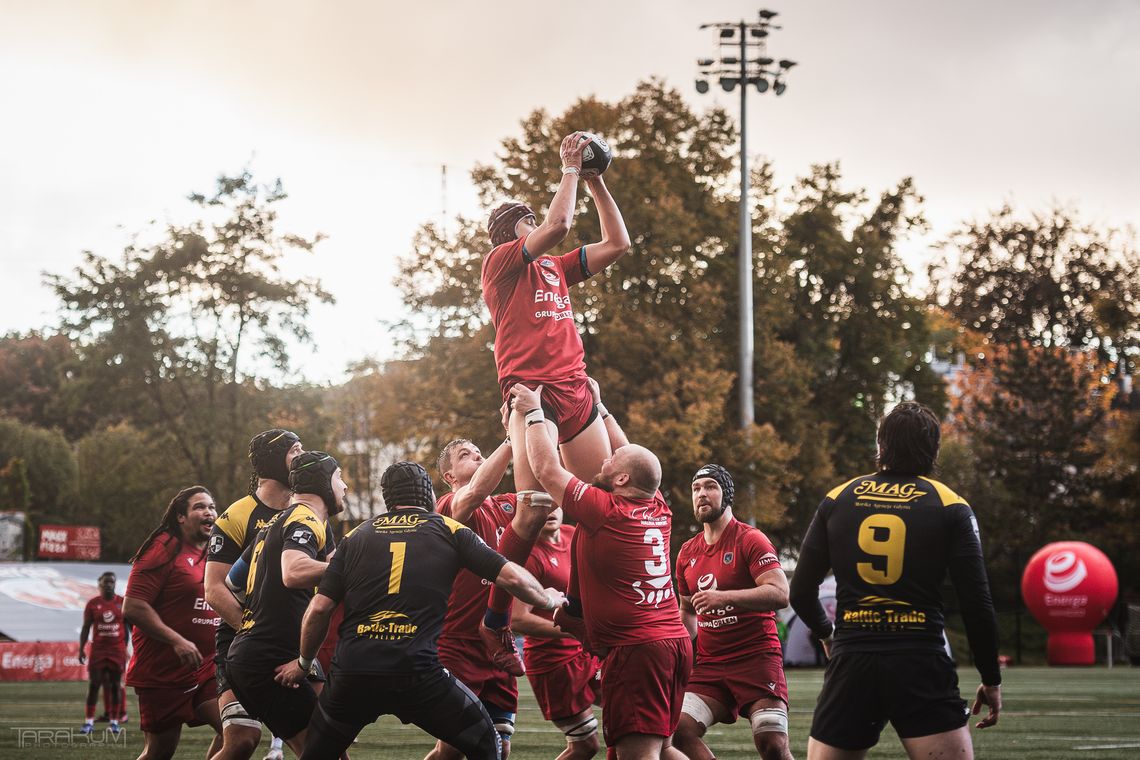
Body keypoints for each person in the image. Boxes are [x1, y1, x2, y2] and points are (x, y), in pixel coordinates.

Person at [284, 461, 565, 760]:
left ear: (388, 499)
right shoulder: (448, 529)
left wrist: (304, 662)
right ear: (429, 495)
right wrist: (547, 599)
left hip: (354, 673)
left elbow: (319, 609)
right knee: (489, 745)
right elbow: (510, 576)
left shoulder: (356, 537)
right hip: (417, 671)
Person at [789, 401, 1003, 760]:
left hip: (853, 657)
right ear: (934, 448)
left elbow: (800, 591)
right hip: (919, 658)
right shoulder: (950, 505)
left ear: (881, 445)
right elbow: (976, 603)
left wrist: (828, 635)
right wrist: (991, 678)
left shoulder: (838, 499)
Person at [513, 383, 692, 760]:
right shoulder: (658, 507)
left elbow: (547, 469)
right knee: (661, 746)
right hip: (671, 643)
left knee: (637, 753)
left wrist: (532, 412)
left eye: (610, 464)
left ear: (622, 481)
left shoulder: (606, 510)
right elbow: (633, 458)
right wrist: (599, 407)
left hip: (638, 650)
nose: (603, 461)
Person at [483, 131, 632, 492]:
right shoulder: (499, 263)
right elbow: (558, 225)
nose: (536, 223)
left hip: (575, 386)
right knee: (534, 507)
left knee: (601, 492)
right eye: (528, 220)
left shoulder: (554, 267)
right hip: (532, 388)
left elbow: (617, 244)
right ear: (508, 232)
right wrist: (569, 168)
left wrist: (594, 181)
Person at [428, 434, 558, 760]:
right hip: (457, 643)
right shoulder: (449, 504)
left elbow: (549, 493)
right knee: (454, 747)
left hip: (499, 642)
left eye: (478, 451)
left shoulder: (503, 505)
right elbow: (474, 493)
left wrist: (544, 431)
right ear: (449, 476)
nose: (477, 456)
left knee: (500, 745)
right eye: (465, 455)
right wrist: (513, 439)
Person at [227, 451, 345, 757]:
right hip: (271, 658)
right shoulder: (306, 518)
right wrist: (353, 568)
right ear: (323, 483)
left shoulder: (272, 524)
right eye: (339, 477)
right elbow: (293, 571)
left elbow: (233, 584)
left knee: (331, 748)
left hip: (256, 652)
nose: (345, 486)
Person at [674, 465, 794, 760]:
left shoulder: (750, 539)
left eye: (710, 486)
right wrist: (680, 652)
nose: (702, 493)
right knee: (677, 731)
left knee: (773, 743)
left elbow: (780, 593)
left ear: (727, 494)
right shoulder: (687, 552)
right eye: (696, 488)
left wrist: (724, 597)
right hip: (710, 665)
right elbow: (687, 610)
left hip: (755, 658)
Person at [205, 428, 303, 760]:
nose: (302, 458)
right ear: (275, 461)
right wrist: (253, 632)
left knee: (323, 742)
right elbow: (214, 588)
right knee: (242, 740)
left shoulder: (308, 514)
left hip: (292, 642)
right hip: (239, 641)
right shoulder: (236, 515)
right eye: (295, 451)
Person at [124, 486, 223, 760]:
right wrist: (177, 640)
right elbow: (133, 606)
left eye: (212, 506)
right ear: (180, 516)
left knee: (239, 731)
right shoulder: (162, 548)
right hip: (163, 670)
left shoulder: (214, 553)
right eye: (200, 507)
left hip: (207, 667)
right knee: (160, 751)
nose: (209, 512)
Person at [511, 505, 603, 760]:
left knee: (628, 713)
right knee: (586, 746)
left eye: (555, 502)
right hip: (554, 663)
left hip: (586, 651)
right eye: (542, 504)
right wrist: (574, 631)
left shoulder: (573, 534)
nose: (550, 509)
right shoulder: (528, 555)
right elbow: (517, 619)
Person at [79, 571, 129, 735]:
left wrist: (125, 647)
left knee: (115, 686)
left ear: (115, 584)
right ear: (99, 584)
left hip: (117, 651)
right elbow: (86, 627)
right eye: (105, 582)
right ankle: (88, 722)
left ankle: (114, 722)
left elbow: (129, 628)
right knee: (94, 685)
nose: (108, 585)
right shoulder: (93, 603)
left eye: (111, 582)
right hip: (98, 651)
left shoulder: (122, 602)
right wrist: (81, 648)